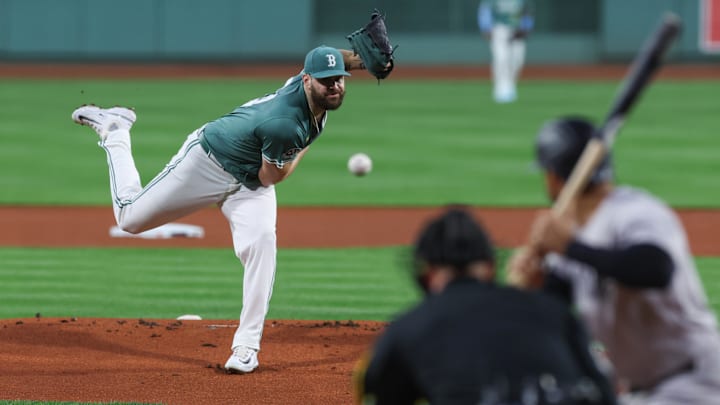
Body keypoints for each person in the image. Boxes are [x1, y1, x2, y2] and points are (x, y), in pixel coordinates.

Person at [71, 45, 373, 374]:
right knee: (130, 218)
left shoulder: (309, 88)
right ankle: (115, 130)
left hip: (249, 185)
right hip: (208, 162)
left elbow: (334, 58)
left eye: (339, 79)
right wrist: (304, 147)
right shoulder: (284, 123)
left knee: (262, 244)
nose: (334, 85)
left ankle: (246, 347)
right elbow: (272, 176)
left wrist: (366, 60)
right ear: (305, 81)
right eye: (326, 80)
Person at [508, 117, 720, 403]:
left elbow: (656, 268)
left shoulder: (635, 211)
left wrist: (570, 247)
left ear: (553, 178)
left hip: (695, 383)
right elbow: (555, 310)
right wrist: (530, 288)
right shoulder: (576, 234)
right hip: (640, 391)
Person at [355, 207, 617, 405]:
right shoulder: (554, 313)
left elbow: (375, 390)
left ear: (427, 273)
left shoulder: (409, 328)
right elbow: (604, 394)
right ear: (491, 267)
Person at [478, 0, 534, 103]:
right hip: (499, 29)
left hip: (517, 30)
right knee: (501, 59)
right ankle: (501, 91)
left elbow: (526, 12)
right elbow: (485, 11)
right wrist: (486, 28)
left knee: (517, 61)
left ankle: (510, 87)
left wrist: (526, 27)